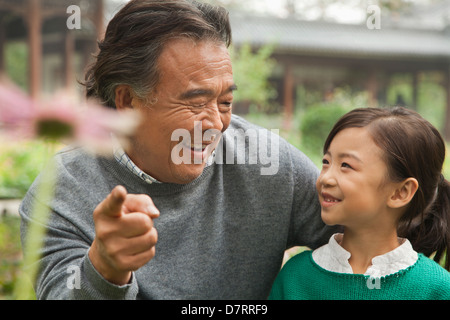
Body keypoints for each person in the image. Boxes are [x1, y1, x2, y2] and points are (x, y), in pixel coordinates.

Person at [19, 0, 335, 300]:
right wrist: (105, 269)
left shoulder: (268, 162)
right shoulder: (62, 191)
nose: (216, 124)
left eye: (225, 102)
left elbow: (369, 236)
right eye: (195, 102)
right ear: (128, 100)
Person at [269, 107, 450, 300]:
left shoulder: (436, 289)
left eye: (346, 165)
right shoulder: (295, 277)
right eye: (326, 161)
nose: (326, 178)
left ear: (400, 192)